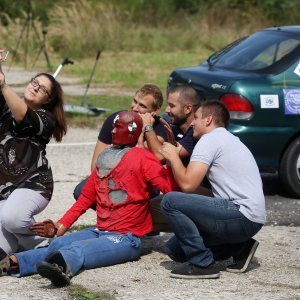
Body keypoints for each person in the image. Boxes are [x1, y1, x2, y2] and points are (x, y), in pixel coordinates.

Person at [0, 110, 178, 287]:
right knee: (59, 243)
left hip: (126, 238)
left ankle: (61, 267)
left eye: (118, 127)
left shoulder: (143, 158)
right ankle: (13, 263)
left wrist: (171, 160)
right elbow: (85, 199)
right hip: (100, 230)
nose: (113, 131)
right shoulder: (105, 158)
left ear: (131, 130)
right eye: (114, 127)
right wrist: (58, 227)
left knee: (79, 249)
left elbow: (169, 189)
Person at [159, 100, 266, 279]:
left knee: (169, 201)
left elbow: (187, 184)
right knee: (175, 251)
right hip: (250, 219)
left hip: (241, 215)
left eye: (196, 118)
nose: (192, 123)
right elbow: (207, 193)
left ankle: (202, 264)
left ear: (208, 120)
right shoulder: (228, 139)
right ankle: (240, 247)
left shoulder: (209, 139)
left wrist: (173, 156)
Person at [0, 59, 67, 255]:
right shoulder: (5, 109)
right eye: (34, 82)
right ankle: (34, 247)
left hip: (33, 184)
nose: (36, 88)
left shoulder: (46, 119)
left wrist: (4, 84)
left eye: (43, 89)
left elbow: (23, 117)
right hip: (4, 189)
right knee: (4, 247)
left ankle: (48, 242)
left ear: (48, 100)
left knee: (12, 217)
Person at [73, 83, 167, 200]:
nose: (135, 108)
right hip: (113, 177)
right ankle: (110, 216)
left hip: (141, 182)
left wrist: (145, 129)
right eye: (135, 101)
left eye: (142, 105)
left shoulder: (159, 129)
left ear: (155, 110)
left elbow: (149, 160)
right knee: (81, 191)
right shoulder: (115, 119)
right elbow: (95, 166)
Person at [141, 84, 203, 232]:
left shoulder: (195, 134)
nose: (167, 110)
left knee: (139, 212)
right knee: (139, 207)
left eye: (171, 106)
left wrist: (148, 128)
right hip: (185, 194)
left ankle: (211, 237)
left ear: (188, 109)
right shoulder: (176, 127)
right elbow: (151, 147)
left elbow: (158, 156)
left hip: (203, 199)